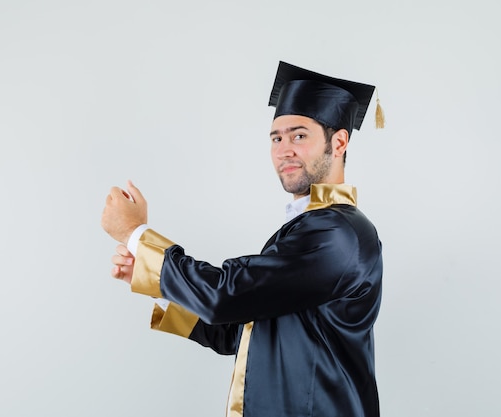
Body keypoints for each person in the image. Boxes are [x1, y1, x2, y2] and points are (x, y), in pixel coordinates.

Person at [101, 61, 383, 417]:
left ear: (339, 141)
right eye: (276, 138)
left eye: (299, 135)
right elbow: (238, 333)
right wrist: (158, 282)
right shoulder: (308, 230)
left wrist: (136, 235)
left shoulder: (338, 234)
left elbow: (225, 295)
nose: (284, 150)